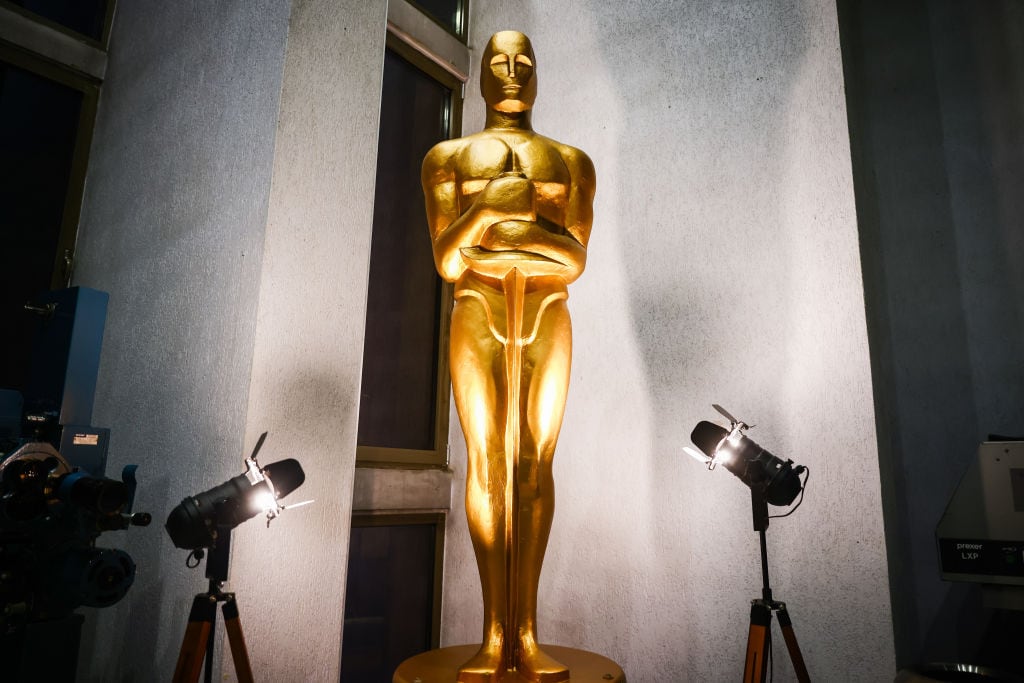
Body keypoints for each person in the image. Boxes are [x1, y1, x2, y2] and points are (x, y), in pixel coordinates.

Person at [421, 30, 596, 683]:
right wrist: (489, 211)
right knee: (489, 460)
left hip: (546, 311)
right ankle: (496, 633)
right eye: (500, 61)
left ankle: (527, 632)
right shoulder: (448, 157)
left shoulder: (570, 162)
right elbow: (448, 260)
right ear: (483, 74)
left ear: (539, 72)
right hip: (478, 309)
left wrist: (498, 238)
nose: (513, 70)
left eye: (525, 61)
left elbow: (575, 259)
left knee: (534, 462)